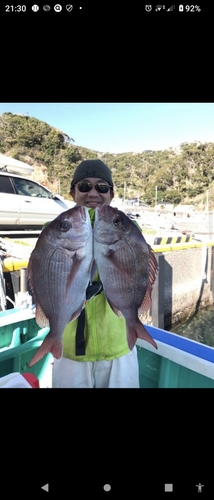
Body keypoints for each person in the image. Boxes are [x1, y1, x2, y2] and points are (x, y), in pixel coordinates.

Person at [52, 159, 140, 388]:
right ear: (72, 192)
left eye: (101, 187)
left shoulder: (128, 229)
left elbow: (139, 276)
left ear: (111, 193)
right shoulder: (55, 228)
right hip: (69, 347)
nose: (93, 192)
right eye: (84, 186)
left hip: (118, 344)